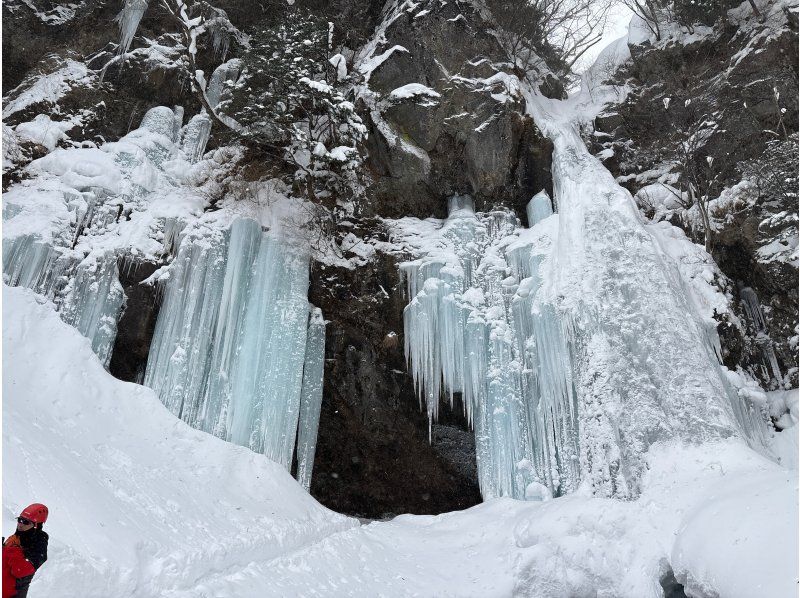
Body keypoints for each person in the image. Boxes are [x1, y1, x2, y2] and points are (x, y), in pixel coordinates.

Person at [2, 504, 48, 598]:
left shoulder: (38, 545)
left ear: (36, 526)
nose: (20, 524)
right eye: (20, 520)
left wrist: (11, 550)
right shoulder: (15, 538)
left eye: (26, 522)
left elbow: (20, 571)